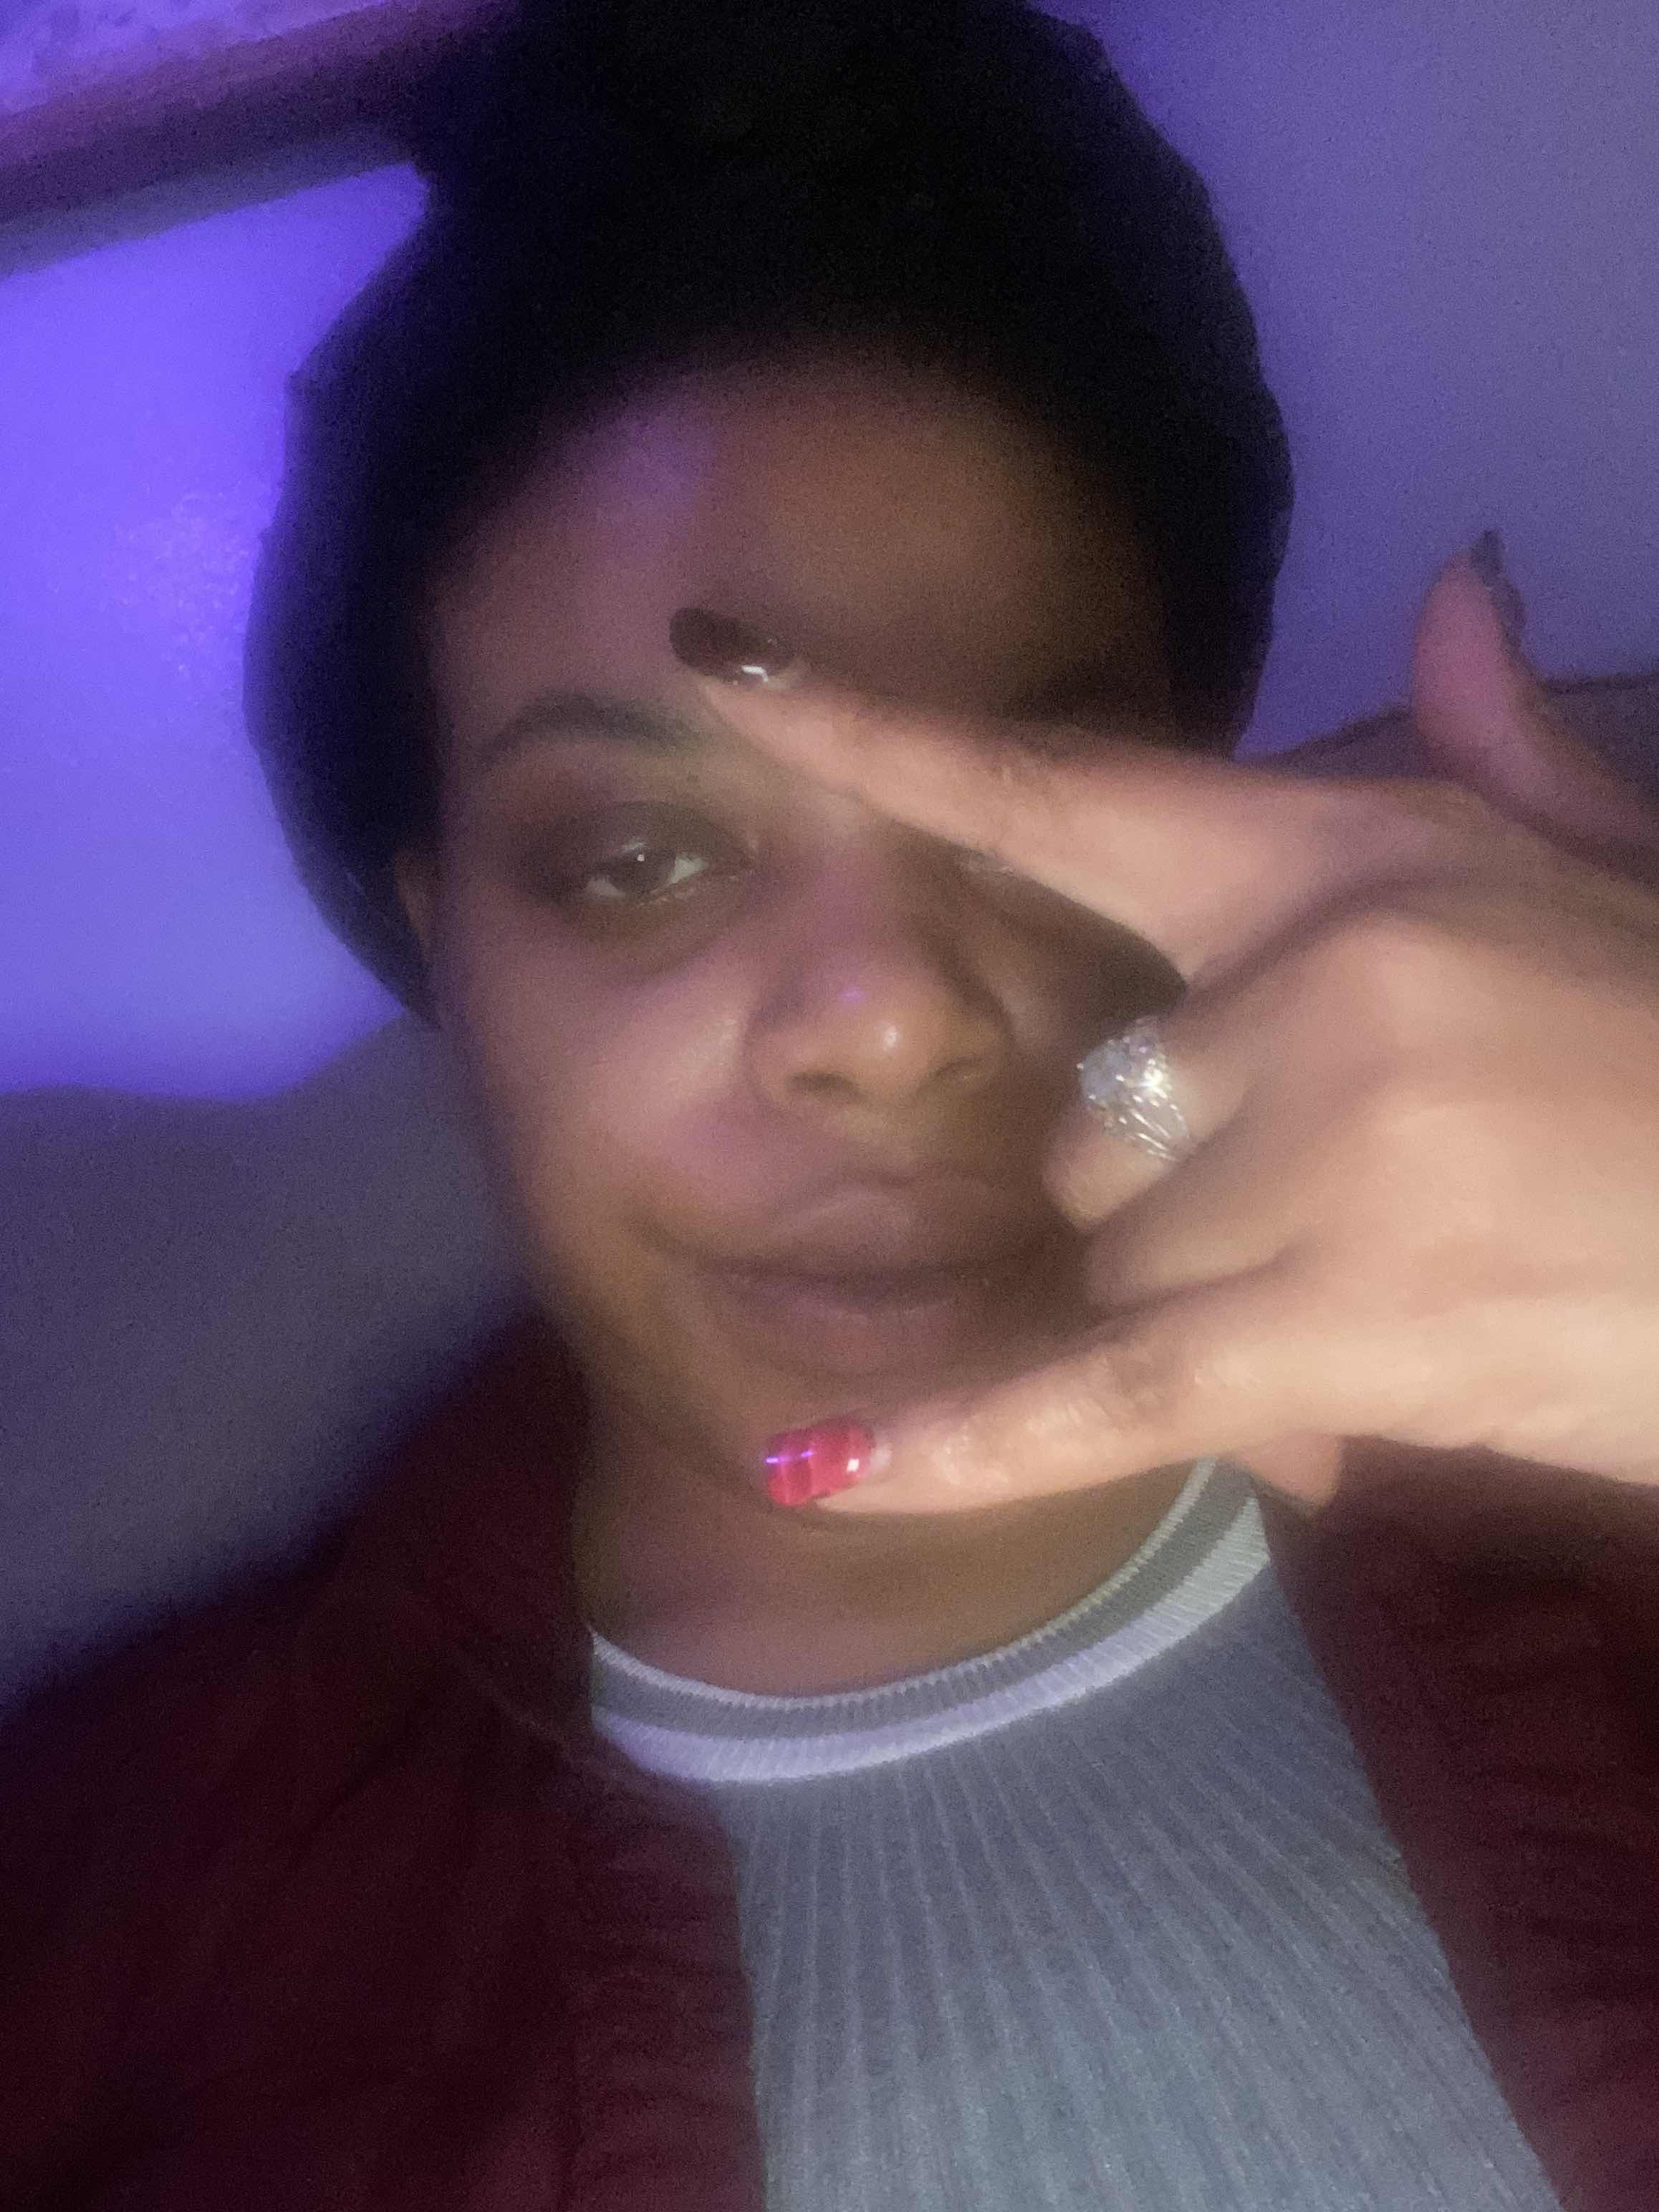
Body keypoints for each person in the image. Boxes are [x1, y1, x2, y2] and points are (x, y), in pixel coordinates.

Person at [3, 1, 1657, 2206]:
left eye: (1019, 805)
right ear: (442, 951)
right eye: (636, 861)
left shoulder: (1593, 1482)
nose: (889, 1023)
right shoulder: (97, 1926)